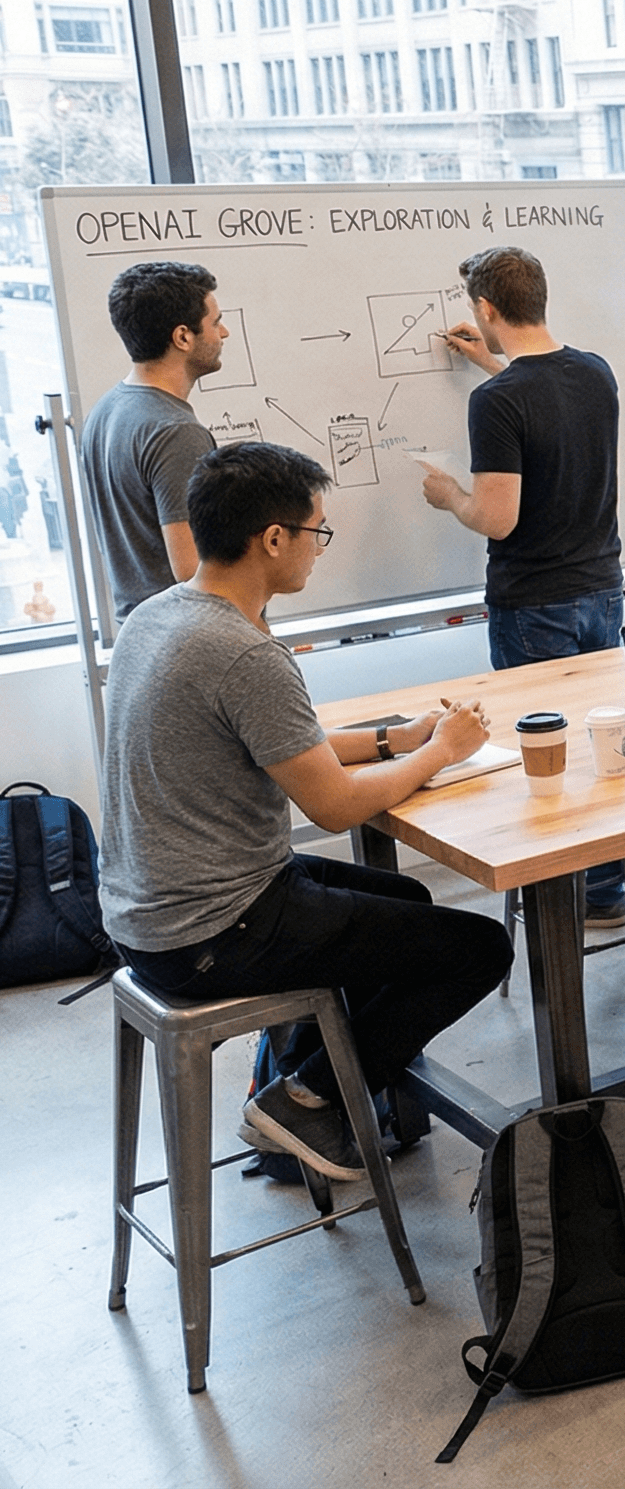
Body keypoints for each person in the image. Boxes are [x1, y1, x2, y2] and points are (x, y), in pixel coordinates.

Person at [98, 442, 511, 1182]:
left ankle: (319, 1096)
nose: (320, 550)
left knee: (407, 899)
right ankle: (307, 1101)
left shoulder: (159, 616)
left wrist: (396, 738)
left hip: (147, 917)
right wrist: (442, 750)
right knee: (479, 948)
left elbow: (290, 745)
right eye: (317, 532)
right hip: (213, 932)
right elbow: (331, 804)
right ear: (274, 539)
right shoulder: (243, 652)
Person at [419, 245, 625, 924]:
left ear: (485, 309)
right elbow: (547, 395)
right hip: (602, 590)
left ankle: (561, 904)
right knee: (600, 749)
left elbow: (497, 518)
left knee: (547, 764)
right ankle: (605, 889)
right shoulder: (596, 373)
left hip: (535, 606)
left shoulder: (499, 402)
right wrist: (489, 363)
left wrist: (449, 493)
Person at [79, 260, 224, 620]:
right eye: (215, 322)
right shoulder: (176, 431)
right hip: (186, 638)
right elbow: (193, 571)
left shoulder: (106, 410)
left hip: (142, 635)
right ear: (183, 337)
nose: (224, 333)